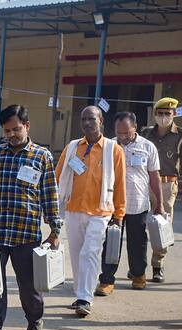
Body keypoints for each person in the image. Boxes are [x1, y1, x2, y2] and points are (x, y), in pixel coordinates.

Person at [0, 105, 61, 330]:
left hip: (27, 234)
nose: (12, 134)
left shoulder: (42, 156)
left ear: (27, 126)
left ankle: (34, 321)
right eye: (7, 131)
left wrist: (55, 229)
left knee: (29, 287)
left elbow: (50, 194)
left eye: (16, 129)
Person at [56, 106, 126, 317]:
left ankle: (85, 297)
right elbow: (58, 177)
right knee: (77, 255)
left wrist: (119, 214)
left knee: (90, 253)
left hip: (100, 211)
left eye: (91, 119)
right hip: (73, 209)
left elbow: (121, 183)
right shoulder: (72, 148)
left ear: (101, 120)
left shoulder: (113, 149)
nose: (87, 123)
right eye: (83, 119)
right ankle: (80, 293)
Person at [96, 112, 163, 294]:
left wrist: (159, 205)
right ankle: (107, 280)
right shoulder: (108, 146)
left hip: (138, 204)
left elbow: (154, 178)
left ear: (135, 127)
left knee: (138, 241)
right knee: (111, 241)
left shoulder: (148, 147)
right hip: (112, 204)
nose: (122, 136)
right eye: (119, 132)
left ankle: (138, 274)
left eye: (126, 132)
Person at [141, 97, 182, 283]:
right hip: (143, 183)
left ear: (174, 114)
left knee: (162, 227)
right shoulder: (145, 133)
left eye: (167, 114)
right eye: (160, 113)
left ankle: (158, 265)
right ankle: (138, 266)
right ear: (155, 115)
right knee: (138, 225)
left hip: (168, 184)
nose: (163, 117)